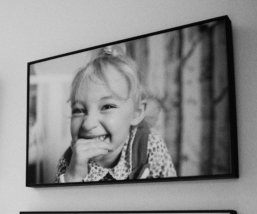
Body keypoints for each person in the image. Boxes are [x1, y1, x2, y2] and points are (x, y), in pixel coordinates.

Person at [56, 45, 176, 183]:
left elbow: (172, 195)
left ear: (136, 113)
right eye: (79, 110)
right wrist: (73, 177)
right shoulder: (70, 160)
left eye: (107, 106)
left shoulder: (150, 147)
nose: (88, 124)